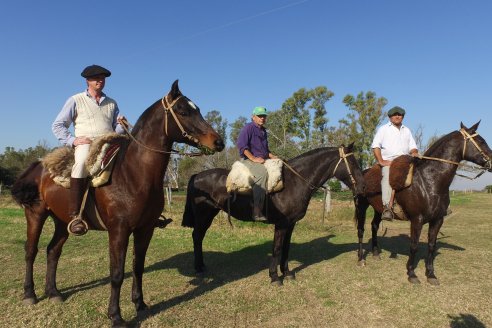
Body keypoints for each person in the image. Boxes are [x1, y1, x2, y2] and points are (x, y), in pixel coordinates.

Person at [52, 64, 126, 235]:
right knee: (81, 164)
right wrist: (73, 140)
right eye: (95, 78)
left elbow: (116, 128)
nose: (100, 80)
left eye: (102, 78)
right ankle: (75, 215)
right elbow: (58, 125)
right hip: (86, 143)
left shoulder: (112, 102)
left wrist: (121, 125)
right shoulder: (76, 99)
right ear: (88, 81)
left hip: (109, 141)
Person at [371, 106, 419, 221]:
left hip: (406, 161)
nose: (398, 116)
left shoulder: (406, 130)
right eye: (395, 115)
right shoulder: (383, 129)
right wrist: (381, 161)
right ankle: (387, 207)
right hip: (391, 162)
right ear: (390, 117)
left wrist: (414, 152)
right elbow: (375, 146)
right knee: (387, 176)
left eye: (400, 115)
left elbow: (413, 147)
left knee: (427, 171)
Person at [236, 106, 278, 221]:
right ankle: (257, 210)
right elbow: (241, 145)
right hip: (248, 160)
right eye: (260, 116)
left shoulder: (263, 131)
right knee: (262, 174)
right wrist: (253, 158)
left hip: (263, 159)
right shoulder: (248, 128)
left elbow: (265, 150)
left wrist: (272, 156)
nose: (262, 118)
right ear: (253, 117)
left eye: (264, 116)